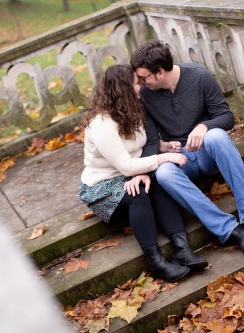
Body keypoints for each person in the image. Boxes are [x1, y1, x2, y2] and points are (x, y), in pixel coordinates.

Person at [130, 39, 244, 255]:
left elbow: (226, 117)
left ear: (160, 72)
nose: (140, 82)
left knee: (217, 136)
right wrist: (153, 159)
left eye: (143, 77)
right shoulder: (146, 96)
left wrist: (205, 126)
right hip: (181, 158)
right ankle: (229, 230)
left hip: (209, 152)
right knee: (164, 173)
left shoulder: (199, 76)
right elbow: (151, 140)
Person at [78, 64, 208, 282]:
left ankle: (182, 249)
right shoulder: (100, 124)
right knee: (139, 192)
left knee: (157, 182)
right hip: (102, 186)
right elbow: (127, 165)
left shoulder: (133, 110)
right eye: (136, 83)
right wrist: (165, 158)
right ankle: (155, 262)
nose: (141, 87)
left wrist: (162, 148)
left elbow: (139, 146)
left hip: (130, 172)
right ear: (123, 89)